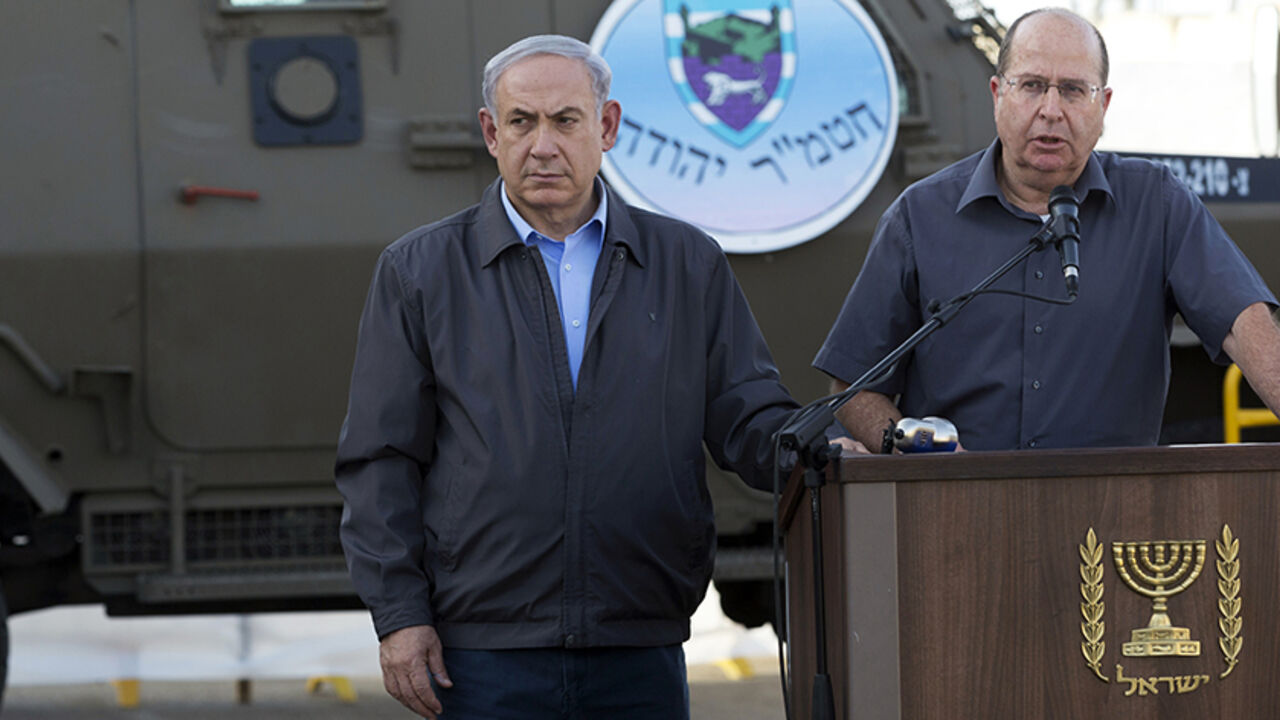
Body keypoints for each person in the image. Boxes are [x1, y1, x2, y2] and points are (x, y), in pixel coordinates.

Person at [335, 34, 850, 719]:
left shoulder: (686, 263)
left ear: (605, 127)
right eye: (522, 122)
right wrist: (400, 616)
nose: (542, 144)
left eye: (566, 120)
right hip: (484, 656)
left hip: (637, 646)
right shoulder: (421, 272)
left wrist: (825, 443)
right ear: (492, 133)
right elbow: (380, 460)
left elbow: (747, 419)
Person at [814, 7, 1280, 453]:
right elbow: (853, 389)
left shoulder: (1157, 205)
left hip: (1109, 517)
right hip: (954, 513)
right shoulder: (919, 216)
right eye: (1032, 86)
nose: (1051, 110)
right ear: (998, 94)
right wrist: (913, 451)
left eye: (1074, 90)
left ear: (1104, 105)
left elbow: (1245, 326)